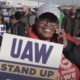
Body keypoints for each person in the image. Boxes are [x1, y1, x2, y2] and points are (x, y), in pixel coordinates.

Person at [26, 2, 80, 80]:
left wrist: (67, 46)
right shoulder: (23, 46)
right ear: (36, 20)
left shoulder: (69, 39)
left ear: (58, 24)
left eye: (53, 20)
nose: (48, 24)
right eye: (43, 19)